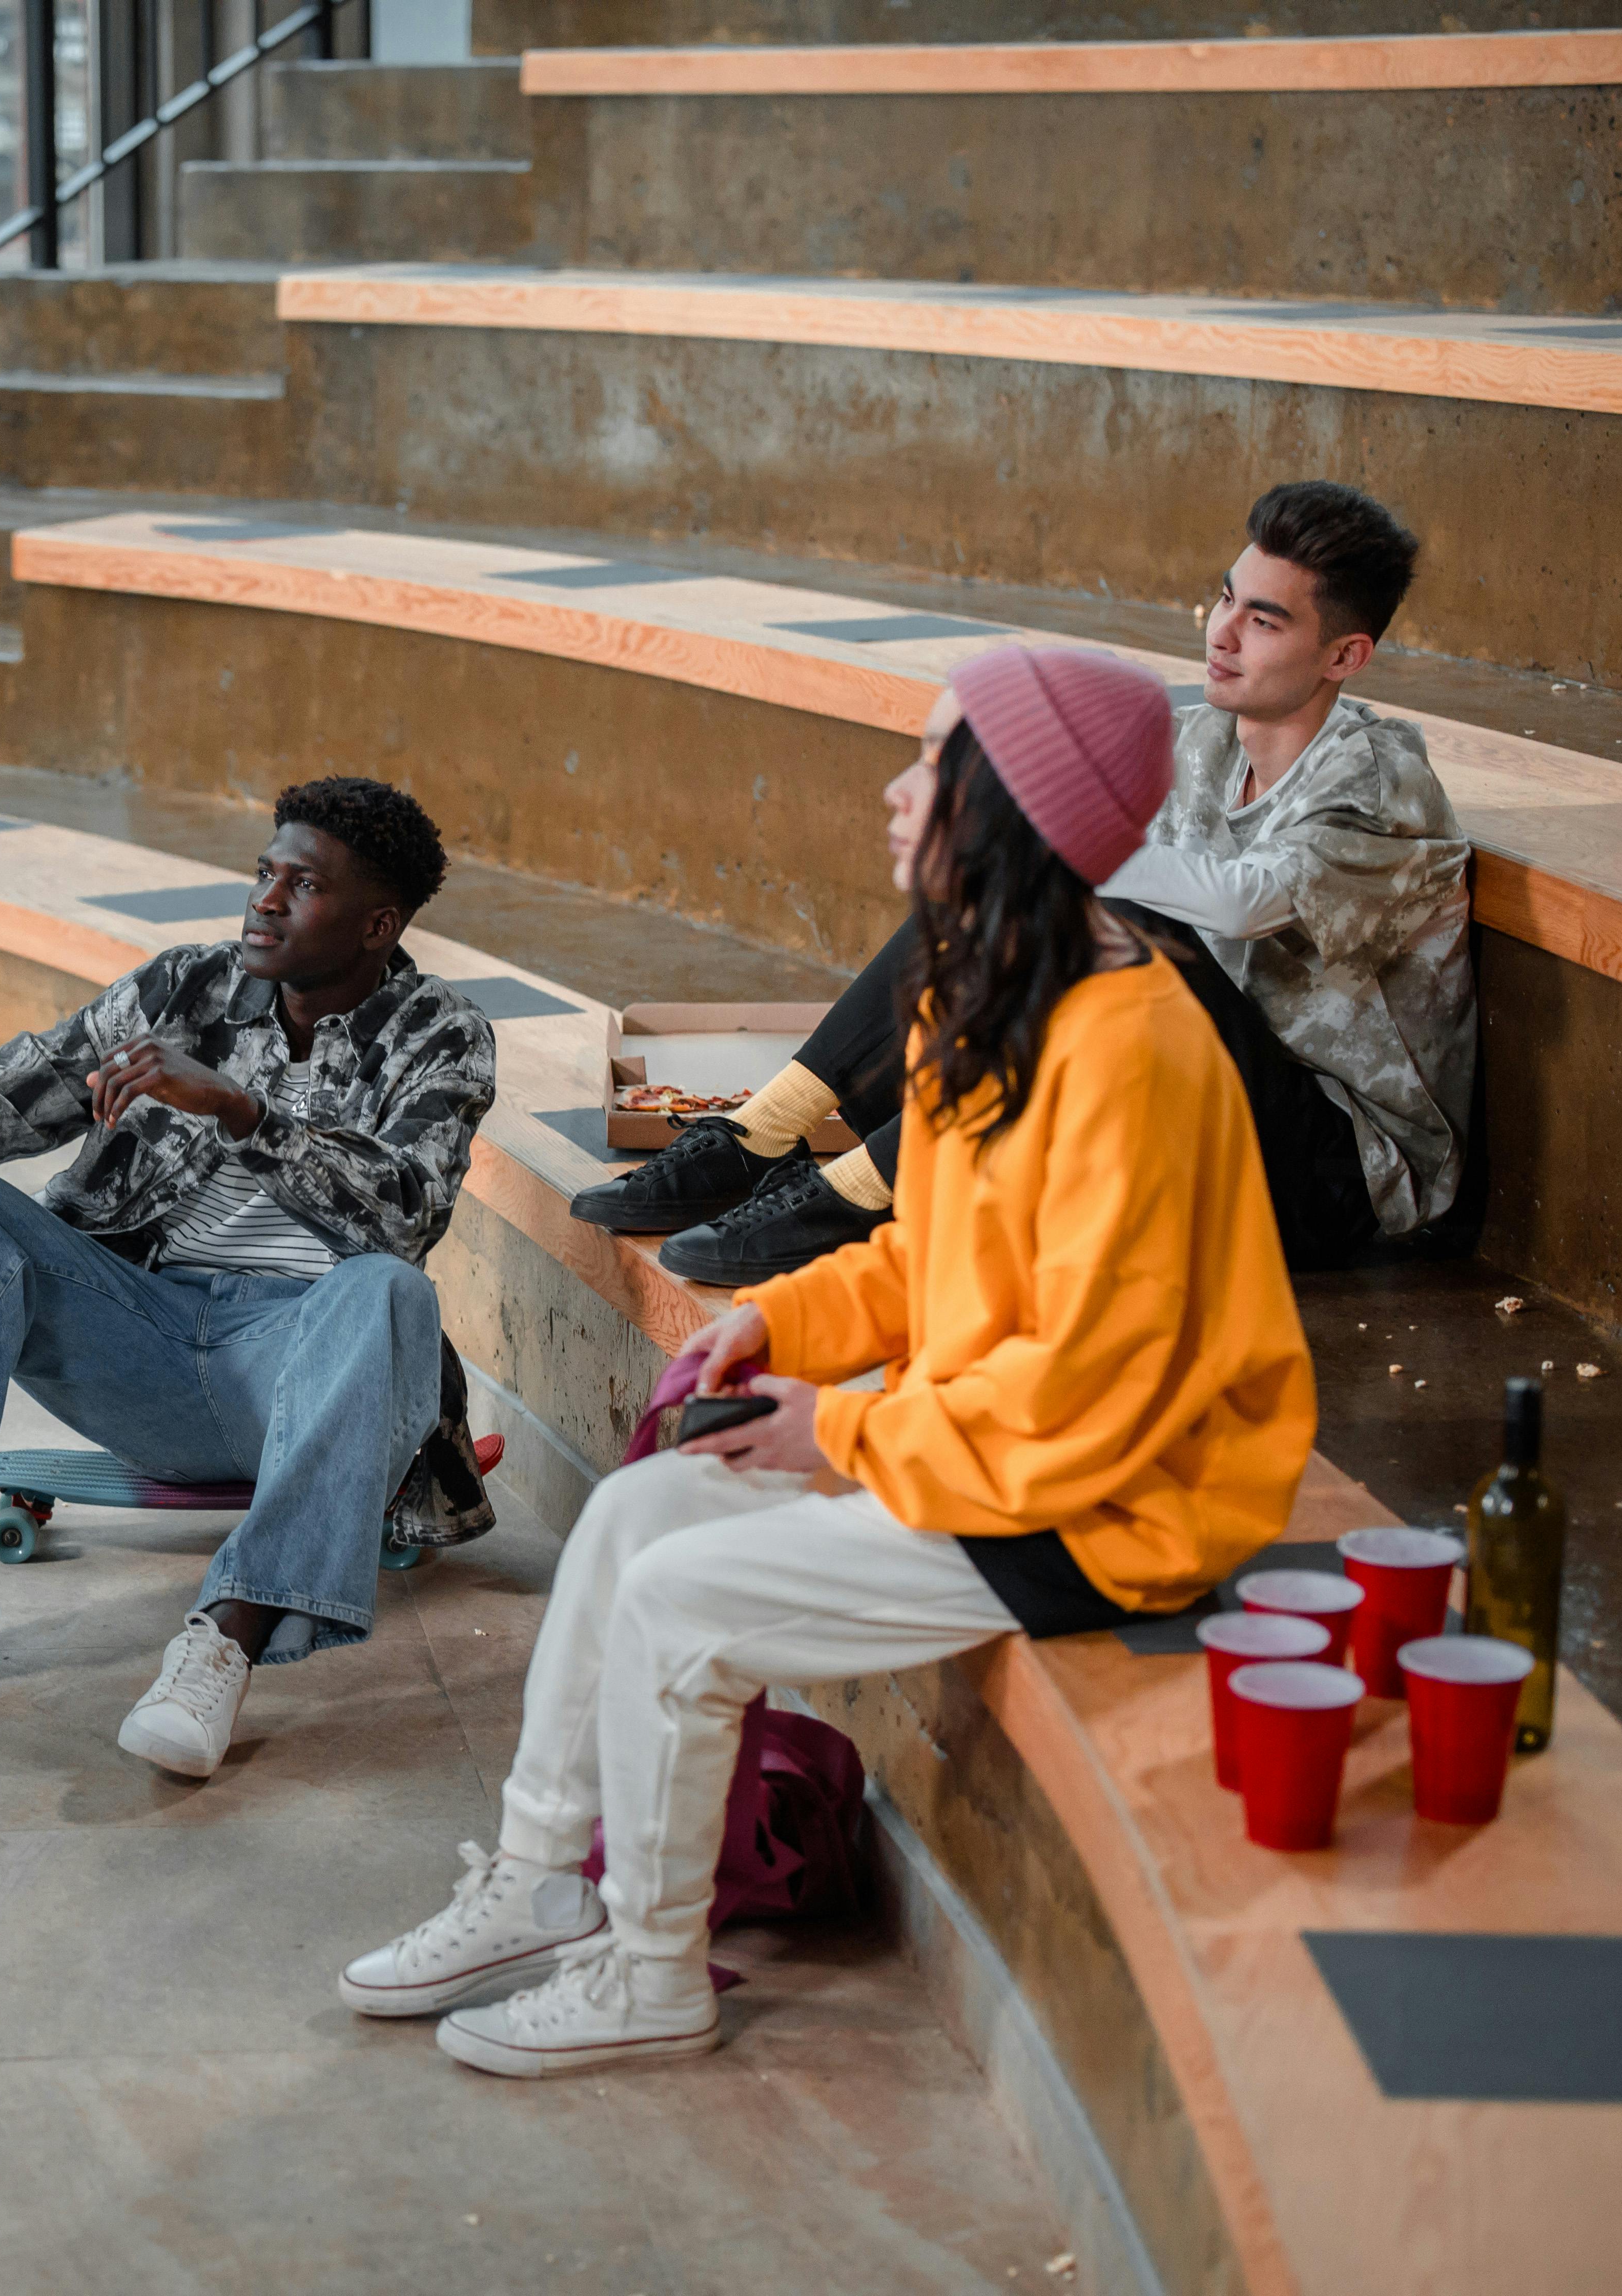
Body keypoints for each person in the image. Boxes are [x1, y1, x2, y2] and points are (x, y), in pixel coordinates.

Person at [343, 647, 1313, 2076]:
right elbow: (934, 1255)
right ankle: (544, 1879)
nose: (896, 792)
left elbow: (1093, 1392)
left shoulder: (1135, 1056)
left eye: (930, 765)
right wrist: (781, 1327)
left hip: (1106, 1507)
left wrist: (842, 1436)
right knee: (631, 1518)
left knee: (680, 1605)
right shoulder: (984, 992)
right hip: (982, 1444)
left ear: (1008, 808)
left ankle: (653, 1970)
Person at [0, 780, 498, 1781]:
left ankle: (224, 1642)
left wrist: (243, 1109)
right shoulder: (186, 989)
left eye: (304, 883)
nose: (267, 900)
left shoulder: (441, 1032)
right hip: (139, 1336)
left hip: (303, 1361)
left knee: (390, 1292)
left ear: (378, 922)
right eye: (264, 872)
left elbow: (405, 1210)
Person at [579, 481, 1473, 1284]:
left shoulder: (1383, 786)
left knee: (1097, 911)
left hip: (1334, 1172)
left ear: (1345, 657)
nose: (1222, 633)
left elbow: (1242, 902)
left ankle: (862, 1193)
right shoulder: (1197, 739)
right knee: (1031, 888)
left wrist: (1035, 833)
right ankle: (763, 1134)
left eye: (1266, 622)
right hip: (1171, 1107)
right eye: (1228, 599)